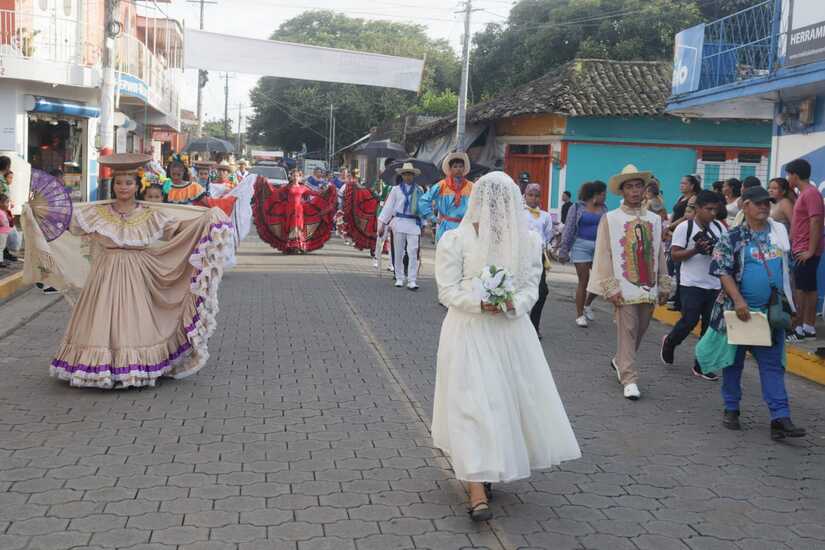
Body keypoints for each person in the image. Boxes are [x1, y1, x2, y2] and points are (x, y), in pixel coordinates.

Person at [432, 171, 580, 522]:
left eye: (503, 200)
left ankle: (487, 467)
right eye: (490, 199)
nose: (497, 208)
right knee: (471, 404)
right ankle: (476, 489)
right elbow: (447, 290)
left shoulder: (528, 241)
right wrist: (479, 303)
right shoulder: (455, 239)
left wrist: (513, 303)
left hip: (511, 334)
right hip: (468, 330)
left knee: (501, 403)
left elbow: (532, 286)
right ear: (478, 201)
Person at [22, 153, 234, 389]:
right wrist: (38, 211)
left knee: (137, 318)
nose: (123, 187)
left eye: (129, 182)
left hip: (138, 272)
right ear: (113, 185)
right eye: (119, 182)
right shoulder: (96, 213)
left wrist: (205, 220)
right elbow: (68, 222)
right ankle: (99, 367)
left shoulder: (149, 213)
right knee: (100, 319)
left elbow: (174, 230)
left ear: (137, 186)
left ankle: (133, 367)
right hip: (106, 271)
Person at [698, 185, 805, 440]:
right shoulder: (732, 236)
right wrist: (739, 301)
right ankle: (731, 409)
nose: (764, 207)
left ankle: (780, 418)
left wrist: (792, 306)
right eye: (758, 203)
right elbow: (722, 270)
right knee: (733, 363)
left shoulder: (779, 233)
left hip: (771, 315)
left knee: (772, 366)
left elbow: (787, 272)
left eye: (767, 203)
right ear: (745, 206)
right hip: (741, 313)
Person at [589, 165, 670, 400]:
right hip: (623, 285)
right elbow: (603, 253)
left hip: (647, 285)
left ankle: (619, 361)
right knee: (628, 329)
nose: (634, 191)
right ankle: (629, 377)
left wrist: (664, 281)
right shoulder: (611, 218)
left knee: (641, 329)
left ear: (645, 190)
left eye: (638, 186)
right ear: (622, 191)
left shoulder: (655, 219)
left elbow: (658, 251)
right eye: (629, 187)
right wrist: (609, 284)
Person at [660, 190, 726, 380]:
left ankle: (701, 365)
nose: (712, 213)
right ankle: (670, 342)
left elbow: (725, 253)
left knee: (709, 326)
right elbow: (675, 255)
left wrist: (715, 251)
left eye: (716, 209)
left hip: (714, 283)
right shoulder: (685, 228)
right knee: (689, 320)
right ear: (697, 208)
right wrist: (696, 250)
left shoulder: (720, 228)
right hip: (691, 283)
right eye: (709, 209)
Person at [252, 168, 337, 254]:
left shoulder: (303, 188)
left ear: (300, 177)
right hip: (289, 210)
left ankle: (299, 246)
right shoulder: (286, 187)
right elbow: (275, 192)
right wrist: (266, 184)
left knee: (298, 226)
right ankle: (291, 246)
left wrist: (327, 191)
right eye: (294, 176)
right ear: (291, 177)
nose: (295, 177)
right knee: (291, 227)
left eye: (297, 176)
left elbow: (315, 194)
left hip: (299, 210)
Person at [558, 181, 607, 327]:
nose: (605, 197)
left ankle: (587, 304)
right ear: (595, 195)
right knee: (584, 280)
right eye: (603, 194)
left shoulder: (604, 209)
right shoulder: (577, 207)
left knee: (603, 280)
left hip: (599, 247)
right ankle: (579, 316)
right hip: (580, 246)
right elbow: (569, 228)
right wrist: (563, 250)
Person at [787, 158, 823, 341]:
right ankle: (806, 327)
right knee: (806, 287)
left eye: (789, 175)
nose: (788, 179)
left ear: (795, 175)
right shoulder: (804, 193)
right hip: (801, 248)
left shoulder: (810, 193)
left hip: (805, 250)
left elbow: (816, 221)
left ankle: (801, 328)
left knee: (803, 289)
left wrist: (810, 250)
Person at [378, 162, 424, 290]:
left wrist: (424, 223)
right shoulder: (395, 190)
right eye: (405, 174)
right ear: (402, 176)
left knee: (413, 251)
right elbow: (388, 208)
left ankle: (412, 279)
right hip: (399, 222)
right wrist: (381, 224)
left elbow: (422, 208)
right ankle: (399, 277)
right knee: (398, 251)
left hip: (413, 223)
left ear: (413, 175)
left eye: (410, 174)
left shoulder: (419, 190)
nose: (407, 177)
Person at [418, 152, 473, 241]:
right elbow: (424, 201)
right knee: (445, 254)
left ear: (464, 168)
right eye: (455, 166)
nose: (458, 169)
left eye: (460, 166)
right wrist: (433, 218)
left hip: (464, 228)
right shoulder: (442, 185)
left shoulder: (471, 186)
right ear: (450, 169)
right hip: (446, 228)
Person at [523, 183, 554, 337]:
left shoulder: (545, 216)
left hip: (538, 255)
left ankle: (534, 325)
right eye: (530, 195)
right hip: (521, 254)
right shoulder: (518, 212)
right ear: (525, 195)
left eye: (536, 196)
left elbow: (547, 236)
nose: (533, 199)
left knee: (542, 291)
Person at [0, 194, 12, 268]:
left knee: (2, 247)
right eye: (7, 202)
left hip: (4, 233)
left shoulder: (3, 211)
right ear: (0, 203)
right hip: (1, 233)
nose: (8, 204)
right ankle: (0, 262)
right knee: (1, 247)